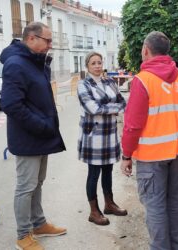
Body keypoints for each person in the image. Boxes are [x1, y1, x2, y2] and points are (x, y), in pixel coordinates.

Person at [120, 31, 178, 250]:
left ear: (145, 50)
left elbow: (133, 124)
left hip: (151, 157)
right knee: (174, 205)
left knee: (155, 207)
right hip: (177, 155)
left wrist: (126, 155)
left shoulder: (143, 81)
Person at [0, 22, 67, 250]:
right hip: (29, 137)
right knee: (26, 187)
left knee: (37, 183)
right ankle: (23, 235)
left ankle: (38, 224)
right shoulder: (16, 65)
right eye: (47, 41)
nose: (50, 45)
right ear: (30, 39)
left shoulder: (36, 62)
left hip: (41, 135)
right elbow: (11, 105)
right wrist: (41, 125)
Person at [77, 52, 128, 226]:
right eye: (93, 63)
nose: (97, 66)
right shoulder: (83, 85)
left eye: (99, 62)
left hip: (110, 133)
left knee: (108, 171)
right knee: (94, 174)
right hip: (94, 136)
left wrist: (108, 108)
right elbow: (92, 108)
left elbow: (123, 103)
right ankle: (94, 211)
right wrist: (113, 109)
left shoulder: (110, 82)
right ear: (87, 66)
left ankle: (109, 204)